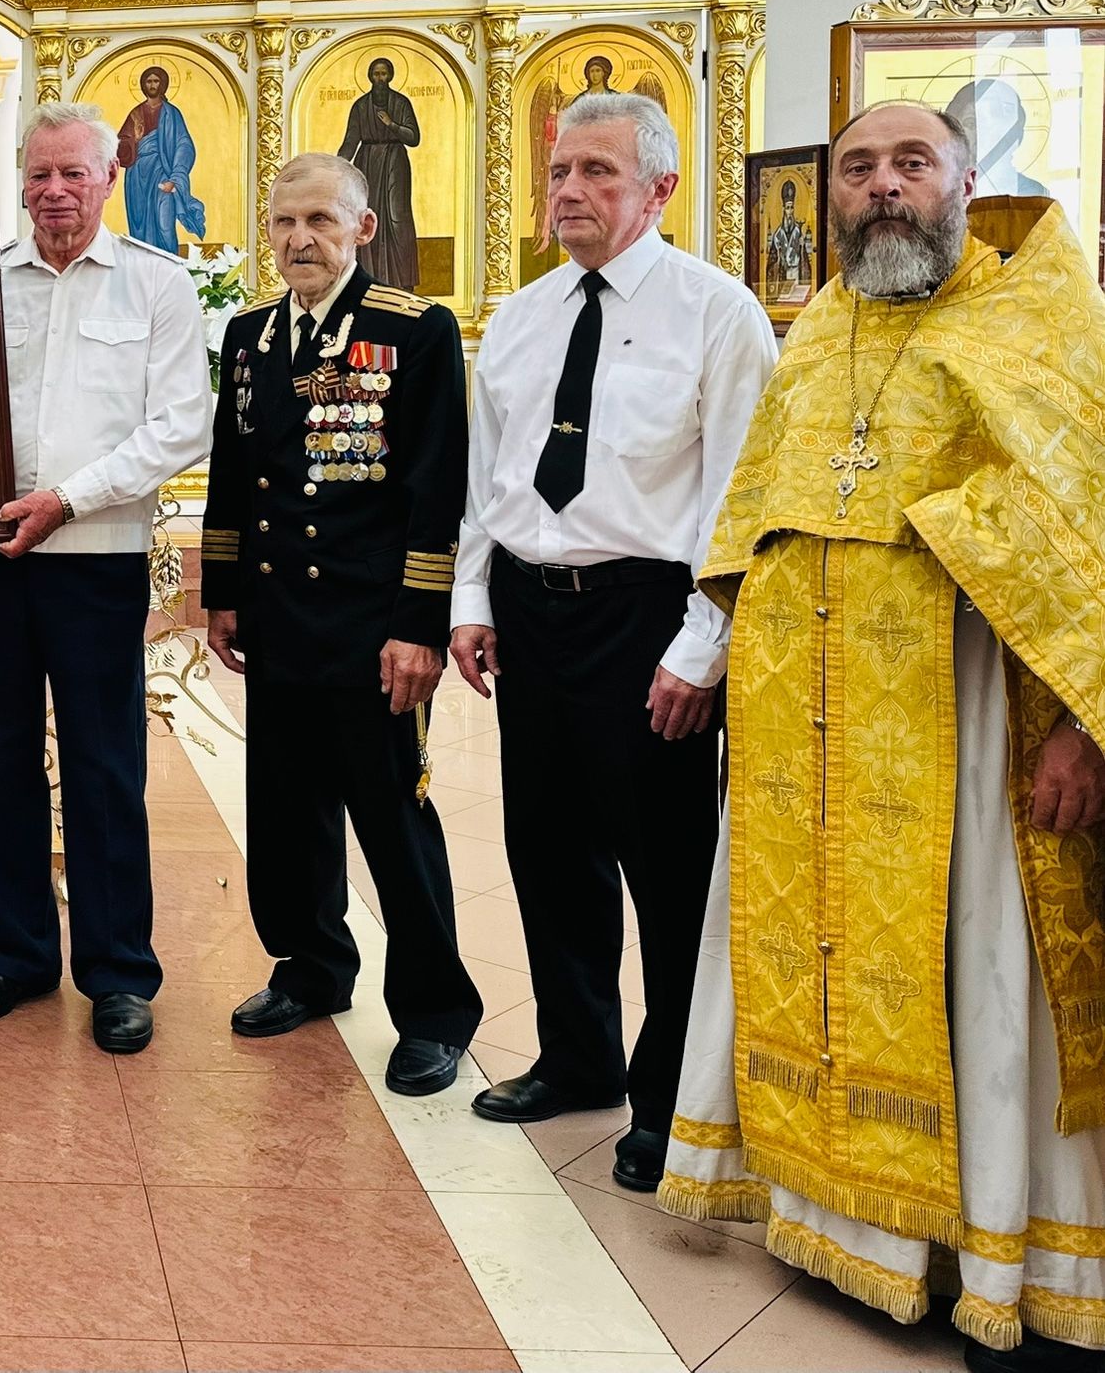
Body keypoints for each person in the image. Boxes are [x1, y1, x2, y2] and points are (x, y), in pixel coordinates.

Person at [661, 104, 1105, 1370]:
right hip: (810, 738)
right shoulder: (816, 331)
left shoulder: (1038, 322)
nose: (883, 187)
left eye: (913, 163)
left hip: (969, 727)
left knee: (979, 971)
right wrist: (714, 659)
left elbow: (1089, 543)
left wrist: (1084, 724)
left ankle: (1013, 1260)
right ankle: (851, 1235)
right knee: (819, 962)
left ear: (965, 179)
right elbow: (751, 518)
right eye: (858, 168)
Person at [449, 91, 776, 1194]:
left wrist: (700, 648)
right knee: (546, 850)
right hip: (531, 608)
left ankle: (668, 1098)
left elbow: (738, 496)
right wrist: (471, 597)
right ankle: (576, 1054)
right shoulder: (520, 314)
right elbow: (489, 476)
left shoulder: (717, 314)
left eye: (598, 171)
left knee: (666, 869)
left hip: (647, 614)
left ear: (660, 189)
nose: (570, 192)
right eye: (559, 172)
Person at [203, 154, 480, 1094]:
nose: (299, 239)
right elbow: (234, 472)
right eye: (284, 222)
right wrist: (222, 591)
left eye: (320, 220)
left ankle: (434, 1012)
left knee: (393, 823)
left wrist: (420, 626)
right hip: (279, 620)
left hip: (373, 632)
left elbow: (436, 487)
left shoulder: (412, 330)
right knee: (287, 818)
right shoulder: (248, 334)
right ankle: (312, 969)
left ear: (362, 228)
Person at [0, 103, 211, 1055]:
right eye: (38, 174)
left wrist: (68, 497)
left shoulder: (155, 284)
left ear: (109, 179)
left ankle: (117, 970)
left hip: (96, 555)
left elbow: (180, 424)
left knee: (103, 766)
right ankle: (14, 955)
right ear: (19, 183)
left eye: (72, 174)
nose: (54, 191)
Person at [338, 57, 423, 290]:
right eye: (376, 74)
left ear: (390, 76)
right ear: (370, 77)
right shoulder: (360, 106)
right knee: (367, 218)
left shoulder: (401, 103)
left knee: (397, 218)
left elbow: (413, 137)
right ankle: (368, 280)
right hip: (367, 164)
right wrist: (335, 168)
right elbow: (350, 141)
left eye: (384, 74)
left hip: (395, 163)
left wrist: (392, 124)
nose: (380, 79)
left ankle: (403, 282)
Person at [115, 65, 206, 255]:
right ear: (143, 85)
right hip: (137, 176)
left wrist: (175, 178)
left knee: (165, 225)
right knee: (139, 227)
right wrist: (132, 140)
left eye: (156, 81)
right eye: (149, 81)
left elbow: (184, 145)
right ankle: (142, 268)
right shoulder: (135, 114)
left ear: (162, 84)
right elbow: (120, 146)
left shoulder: (171, 114)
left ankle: (168, 266)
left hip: (162, 173)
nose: (152, 85)